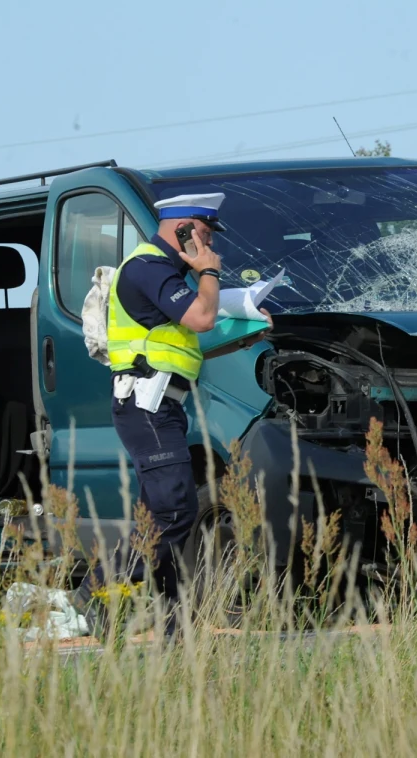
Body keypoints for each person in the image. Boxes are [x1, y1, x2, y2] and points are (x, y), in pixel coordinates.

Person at [73, 192, 269, 639]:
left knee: (159, 514)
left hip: (163, 407)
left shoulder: (165, 274)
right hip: (146, 405)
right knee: (176, 511)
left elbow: (189, 342)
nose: (209, 244)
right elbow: (201, 318)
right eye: (203, 233)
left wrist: (249, 328)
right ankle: (96, 592)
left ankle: (171, 622)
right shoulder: (148, 268)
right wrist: (210, 273)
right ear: (182, 228)